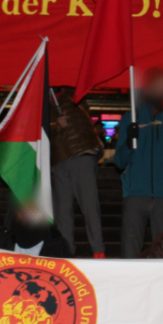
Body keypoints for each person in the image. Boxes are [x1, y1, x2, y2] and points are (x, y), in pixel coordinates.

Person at [113, 68, 163, 258]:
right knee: (130, 251)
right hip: (136, 193)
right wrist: (130, 142)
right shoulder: (132, 117)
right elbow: (120, 161)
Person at [50, 88, 105, 258]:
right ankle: (74, 251)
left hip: (75, 155)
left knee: (77, 209)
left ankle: (95, 250)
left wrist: (55, 125)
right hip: (65, 158)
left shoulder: (72, 95)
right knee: (66, 211)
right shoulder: (72, 95)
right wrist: (56, 125)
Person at [0, 202, 73, 257]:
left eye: (34, 211)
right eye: (24, 211)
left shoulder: (58, 245)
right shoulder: (0, 239)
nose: (29, 214)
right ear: (17, 214)